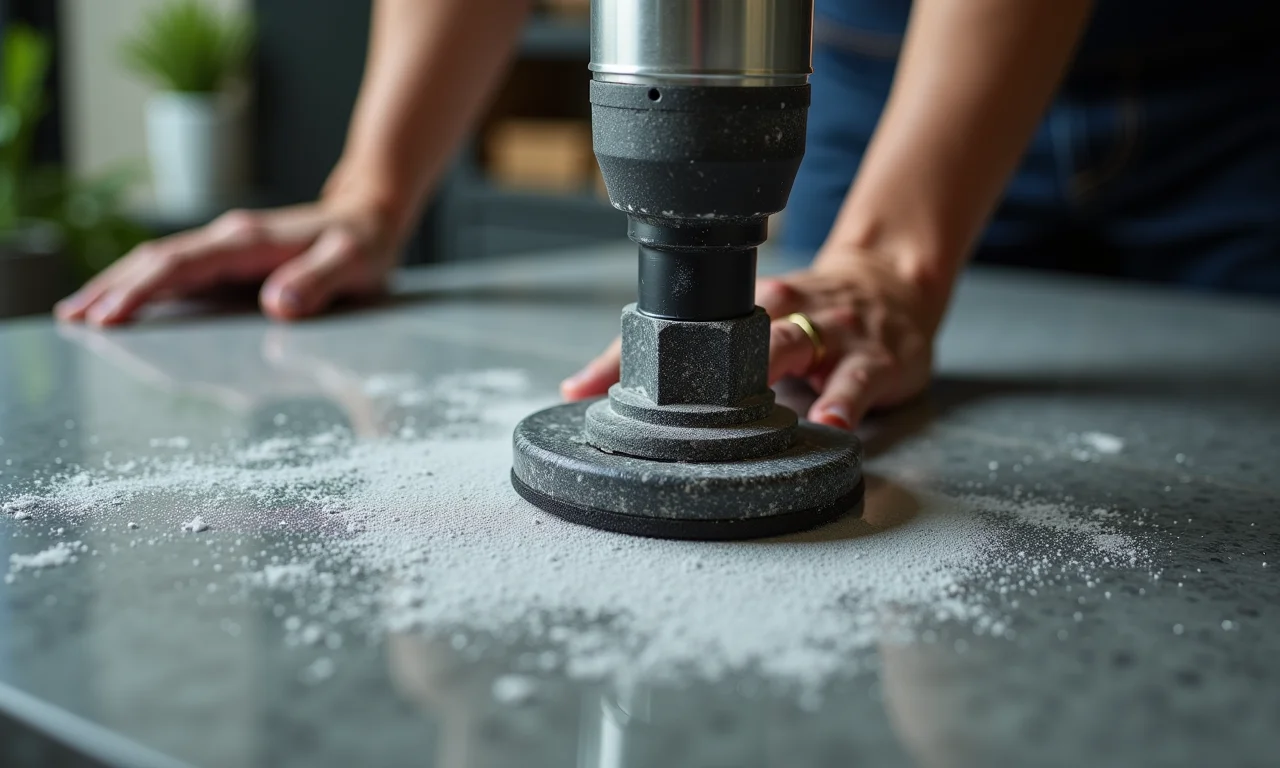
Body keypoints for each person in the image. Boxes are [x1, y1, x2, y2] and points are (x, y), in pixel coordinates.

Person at [56, 0, 1280, 431]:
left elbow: (884, 266)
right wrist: (366, 195)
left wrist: (887, 259)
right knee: (836, 379)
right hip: (860, 61)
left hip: (1227, 92)